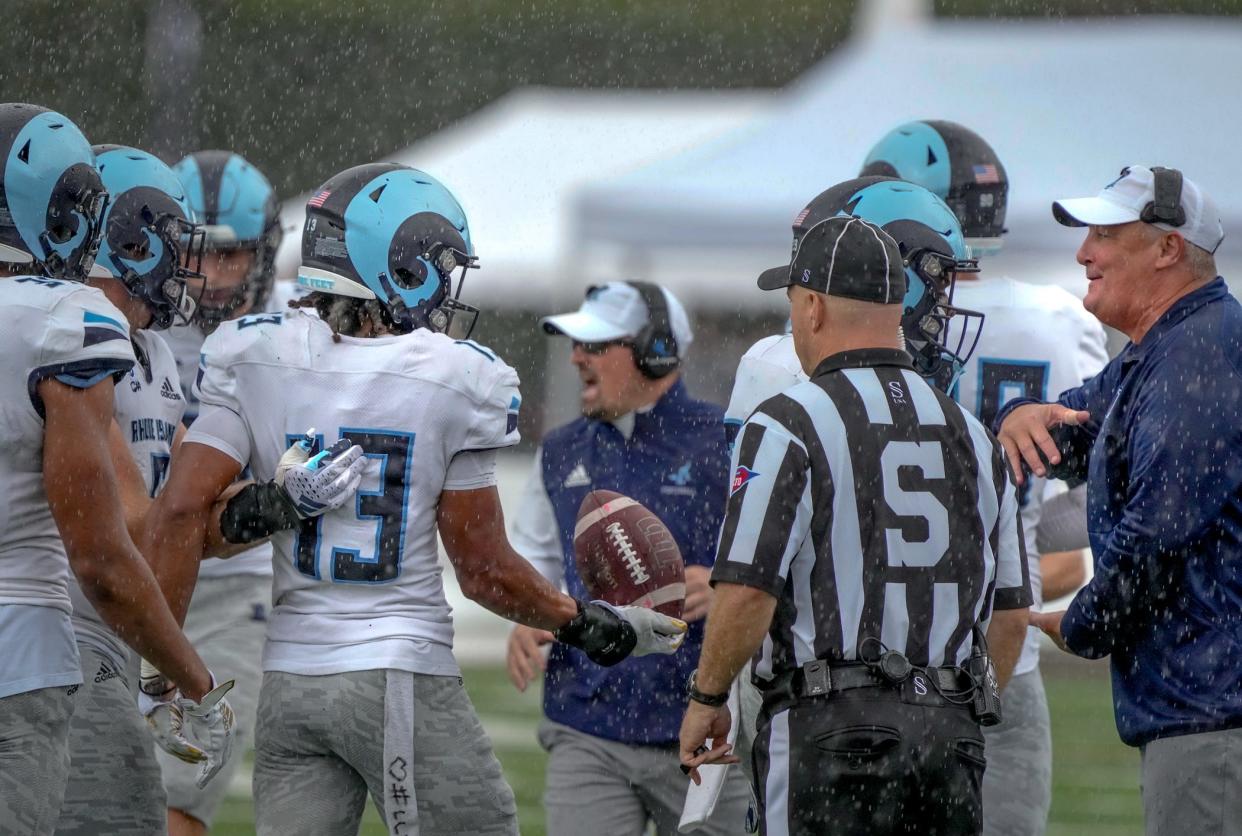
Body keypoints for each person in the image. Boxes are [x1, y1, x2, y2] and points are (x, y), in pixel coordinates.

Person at [142, 162, 687, 836]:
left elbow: (182, 513)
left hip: (290, 684)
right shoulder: (460, 378)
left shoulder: (253, 354)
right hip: (395, 673)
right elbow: (484, 571)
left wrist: (166, 666)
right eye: (440, 265)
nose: (448, 286)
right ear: (400, 265)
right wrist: (592, 625)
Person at [681, 211, 1031, 835]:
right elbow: (1008, 615)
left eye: (793, 305)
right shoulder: (976, 435)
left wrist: (708, 697)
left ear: (812, 306)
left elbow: (748, 588)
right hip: (950, 733)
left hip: (829, 727)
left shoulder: (786, 421)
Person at [862, 119, 1109, 835]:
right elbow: (1085, 508)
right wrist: (1028, 543)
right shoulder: (1057, 322)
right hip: (1002, 647)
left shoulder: (855, 323)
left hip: (873, 651)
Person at [0, 104, 229, 835]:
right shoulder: (70, 328)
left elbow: (178, 511)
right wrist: (187, 677)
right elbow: (111, 545)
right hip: (45, 646)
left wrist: (269, 506)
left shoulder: (150, 353)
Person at [1000, 165, 1242, 836]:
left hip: (1212, 710)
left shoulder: (1198, 353)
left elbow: (1160, 528)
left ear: (1168, 248)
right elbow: (1079, 427)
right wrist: (1021, 416)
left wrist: (1082, 623)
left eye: (1104, 234)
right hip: (1201, 705)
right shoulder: (1169, 347)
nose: (1084, 253)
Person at [505, 281, 752, 835]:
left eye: (595, 345)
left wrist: (723, 584)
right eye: (576, 344)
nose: (576, 357)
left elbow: (783, 556)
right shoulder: (562, 448)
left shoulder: (730, 442)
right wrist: (531, 613)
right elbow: (536, 553)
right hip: (587, 719)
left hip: (704, 722)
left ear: (655, 351)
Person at [160, 148, 287, 836]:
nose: (209, 278)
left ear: (264, 252)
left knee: (180, 793)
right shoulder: (128, 315)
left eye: (230, 256)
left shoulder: (298, 327)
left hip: (232, 582)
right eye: (195, 254)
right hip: (124, 570)